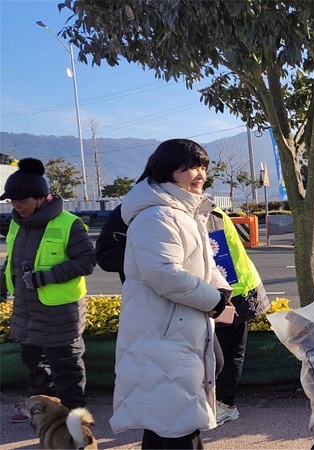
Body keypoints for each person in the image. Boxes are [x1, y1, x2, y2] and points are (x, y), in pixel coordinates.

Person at [109, 139, 232, 449]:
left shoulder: (183, 212)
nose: (199, 173)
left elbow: (202, 265)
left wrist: (221, 288)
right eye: (189, 167)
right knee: (176, 422)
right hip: (164, 334)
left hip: (176, 329)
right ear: (167, 170)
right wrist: (215, 300)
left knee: (169, 421)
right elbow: (164, 274)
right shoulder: (158, 216)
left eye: (202, 167)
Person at [0, 158, 96, 423]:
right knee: (33, 361)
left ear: (42, 197)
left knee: (66, 367)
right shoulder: (17, 222)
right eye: (12, 201)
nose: (17, 206)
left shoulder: (69, 223)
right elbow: (13, 262)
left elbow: (87, 262)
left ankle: (75, 416)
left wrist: (47, 277)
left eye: (22, 200)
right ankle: (37, 408)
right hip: (26, 309)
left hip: (60, 311)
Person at [207, 208, 270, 426]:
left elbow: (218, 256)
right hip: (231, 289)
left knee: (229, 352)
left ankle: (226, 405)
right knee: (223, 351)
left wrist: (221, 296)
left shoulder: (208, 216)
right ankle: (219, 402)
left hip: (234, 292)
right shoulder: (208, 211)